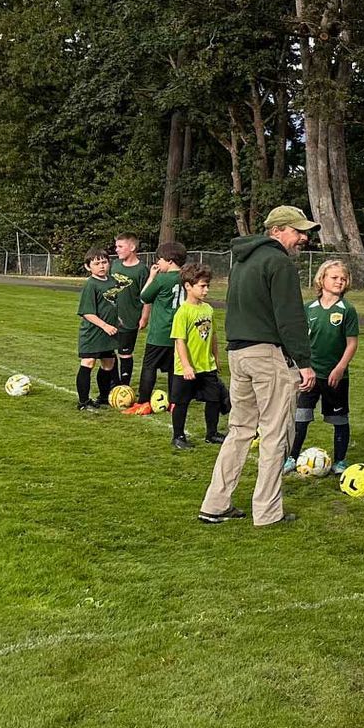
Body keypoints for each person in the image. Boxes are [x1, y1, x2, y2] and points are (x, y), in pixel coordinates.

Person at [198, 206, 317, 528]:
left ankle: (215, 504)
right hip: (266, 355)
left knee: (239, 431)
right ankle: (267, 513)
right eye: (297, 231)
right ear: (277, 230)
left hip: (239, 353)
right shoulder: (278, 262)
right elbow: (290, 318)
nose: (303, 238)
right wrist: (304, 363)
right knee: (275, 435)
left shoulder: (243, 261)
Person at [294, 258, 359, 475]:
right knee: (300, 417)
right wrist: (302, 367)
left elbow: (352, 343)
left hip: (335, 376)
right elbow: (300, 341)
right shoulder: (308, 308)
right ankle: (292, 456)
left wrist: (340, 368)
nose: (339, 281)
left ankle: (340, 460)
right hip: (310, 375)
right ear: (321, 279)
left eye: (343, 278)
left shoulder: (347, 310)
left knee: (339, 420)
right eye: (334, 277)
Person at [171, 266, 226, 452]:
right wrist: (186, 366)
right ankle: (178, 435)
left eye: (207, 286)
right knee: (182, 402)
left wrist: (216, 358)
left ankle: (212, 433)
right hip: (186, 369)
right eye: (202, 286)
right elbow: (180, 342)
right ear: (188, 286)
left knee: (214, 399)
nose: (206, 290)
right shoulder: (183, 312)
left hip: (206, 365)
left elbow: (213, 336)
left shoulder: (208, 309)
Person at [129, 242, 187, 416]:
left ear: (169, 261)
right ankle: (174, 402)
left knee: (149, 366)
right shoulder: (187, 277)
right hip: (179, 331)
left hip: (160, 332)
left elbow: (144, 296)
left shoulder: (162, 278)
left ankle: (144, 402)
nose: (158, 264)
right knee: (173, 369)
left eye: (159, 260)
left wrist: (152, 277)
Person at [107, 232, 150, 396]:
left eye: (120, 246)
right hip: (110, 319)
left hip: (130, 319)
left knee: (125, 353)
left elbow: (147, 296)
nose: (116, 250)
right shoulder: (114, 265)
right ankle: (114, 384)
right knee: (109, 352)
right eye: (116, 246)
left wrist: (144, 316)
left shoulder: (141, 270)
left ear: (132, 247)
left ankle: (124, 386)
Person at [76, 248, 119, 410]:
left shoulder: (112, 282)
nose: (101, 266)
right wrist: (105, 325)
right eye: (96, 263)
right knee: (88, 362)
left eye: (104, 262)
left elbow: (112, 305)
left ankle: (103, 396)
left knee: (108, 363)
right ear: (88, 267)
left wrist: (117, 319)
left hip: (109, 333)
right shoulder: (91, 284)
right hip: (93, 333)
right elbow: (87, 312)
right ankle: (83, 402)